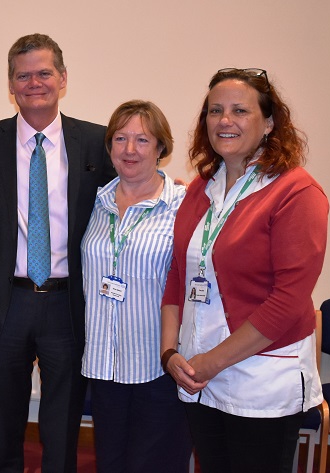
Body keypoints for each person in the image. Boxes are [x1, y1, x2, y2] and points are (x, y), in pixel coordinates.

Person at [161, 68, 328, 473]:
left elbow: (288, 301)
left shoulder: (295, 191)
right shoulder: (203, 187)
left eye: (240, 110)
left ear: (269, 123)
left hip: (260, 379)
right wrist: (170, 353)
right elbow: (178, 277)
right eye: (215, 110)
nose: (225, 120)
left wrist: (211, 362)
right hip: (199, 374)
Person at [0, 33, 116, 472]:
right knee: (4, 425)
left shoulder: (98, 142)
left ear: (63, 79)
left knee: (62, 428)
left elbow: (130, 194)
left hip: (67, 304)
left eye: (43, 73)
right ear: (11, 84)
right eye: (23, 76)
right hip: (7, 303)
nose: (33, 83)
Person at [80, 100, 191, 473]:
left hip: (157, 365)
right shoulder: (93, 201)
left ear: (161, 147)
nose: (130, 150)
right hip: (105, 364)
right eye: (121, 139)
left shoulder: (182, 205)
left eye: (142, 140)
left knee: (154, 464)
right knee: (110, 462)